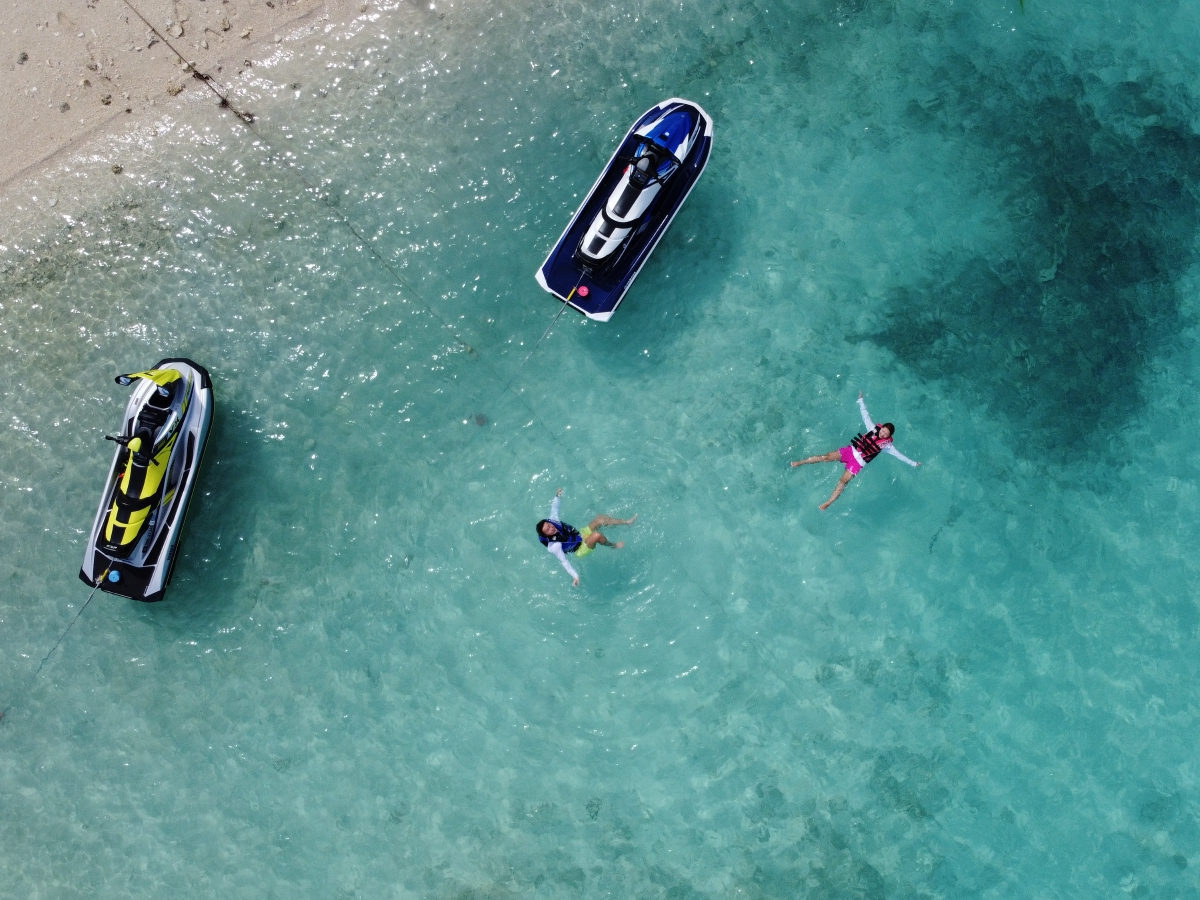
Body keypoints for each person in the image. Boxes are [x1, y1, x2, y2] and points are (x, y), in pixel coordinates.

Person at [790, 392, 921, 510]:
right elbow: (865, 416)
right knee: (826, 457)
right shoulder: (872, 429)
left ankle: (828, 503)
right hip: (850, 451)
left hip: (858, 462)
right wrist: (861, 401)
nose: (882, 434)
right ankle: (800, 462)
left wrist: (913, 463)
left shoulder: (887, 446)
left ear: (888, 436)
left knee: (843, 481)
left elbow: (899, 456)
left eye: (885, 434)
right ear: (881, 428)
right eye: (882, 431)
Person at [536, 488, 636, 586]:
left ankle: (627, 522)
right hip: (579, 549)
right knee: (597, 535)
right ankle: (614, 546)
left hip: (580, 535)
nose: (551, 528)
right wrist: (575, 576)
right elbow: (564, 562)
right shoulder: (555, 546)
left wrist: (558, 495)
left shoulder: (553, 520)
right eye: (547, 530)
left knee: (600, 519)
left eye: (549, 526)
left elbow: (554, 508)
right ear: (546, 535)